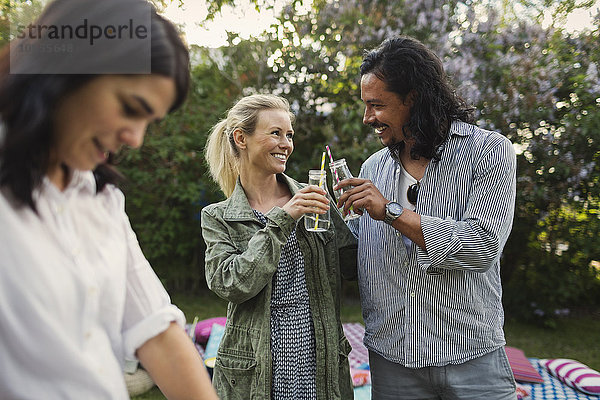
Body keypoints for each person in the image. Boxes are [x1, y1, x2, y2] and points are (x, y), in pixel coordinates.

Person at [0, 0, 218, 399]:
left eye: (149, 122)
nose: (135, 139)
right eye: (131, 109)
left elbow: (155, 328)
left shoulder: (104, 202)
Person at [335, 36, 518, 399]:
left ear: (413, 98)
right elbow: (355, 257)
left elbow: (482, 245)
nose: (367, 117)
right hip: (393, 362)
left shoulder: (489, 151)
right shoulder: (374, 167)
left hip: (471, 357)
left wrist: (391, 211)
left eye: (376, 105)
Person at [201, 94, 357, 400]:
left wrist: (367, 218)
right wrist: (282, 219)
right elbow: (231, 283)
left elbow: (354, 268)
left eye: (289, 135)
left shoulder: (315, 200)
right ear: (241, 138)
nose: (286, 144)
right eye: (275, 133)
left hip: (319, 364)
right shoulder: (218, 217)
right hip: (256, 371)